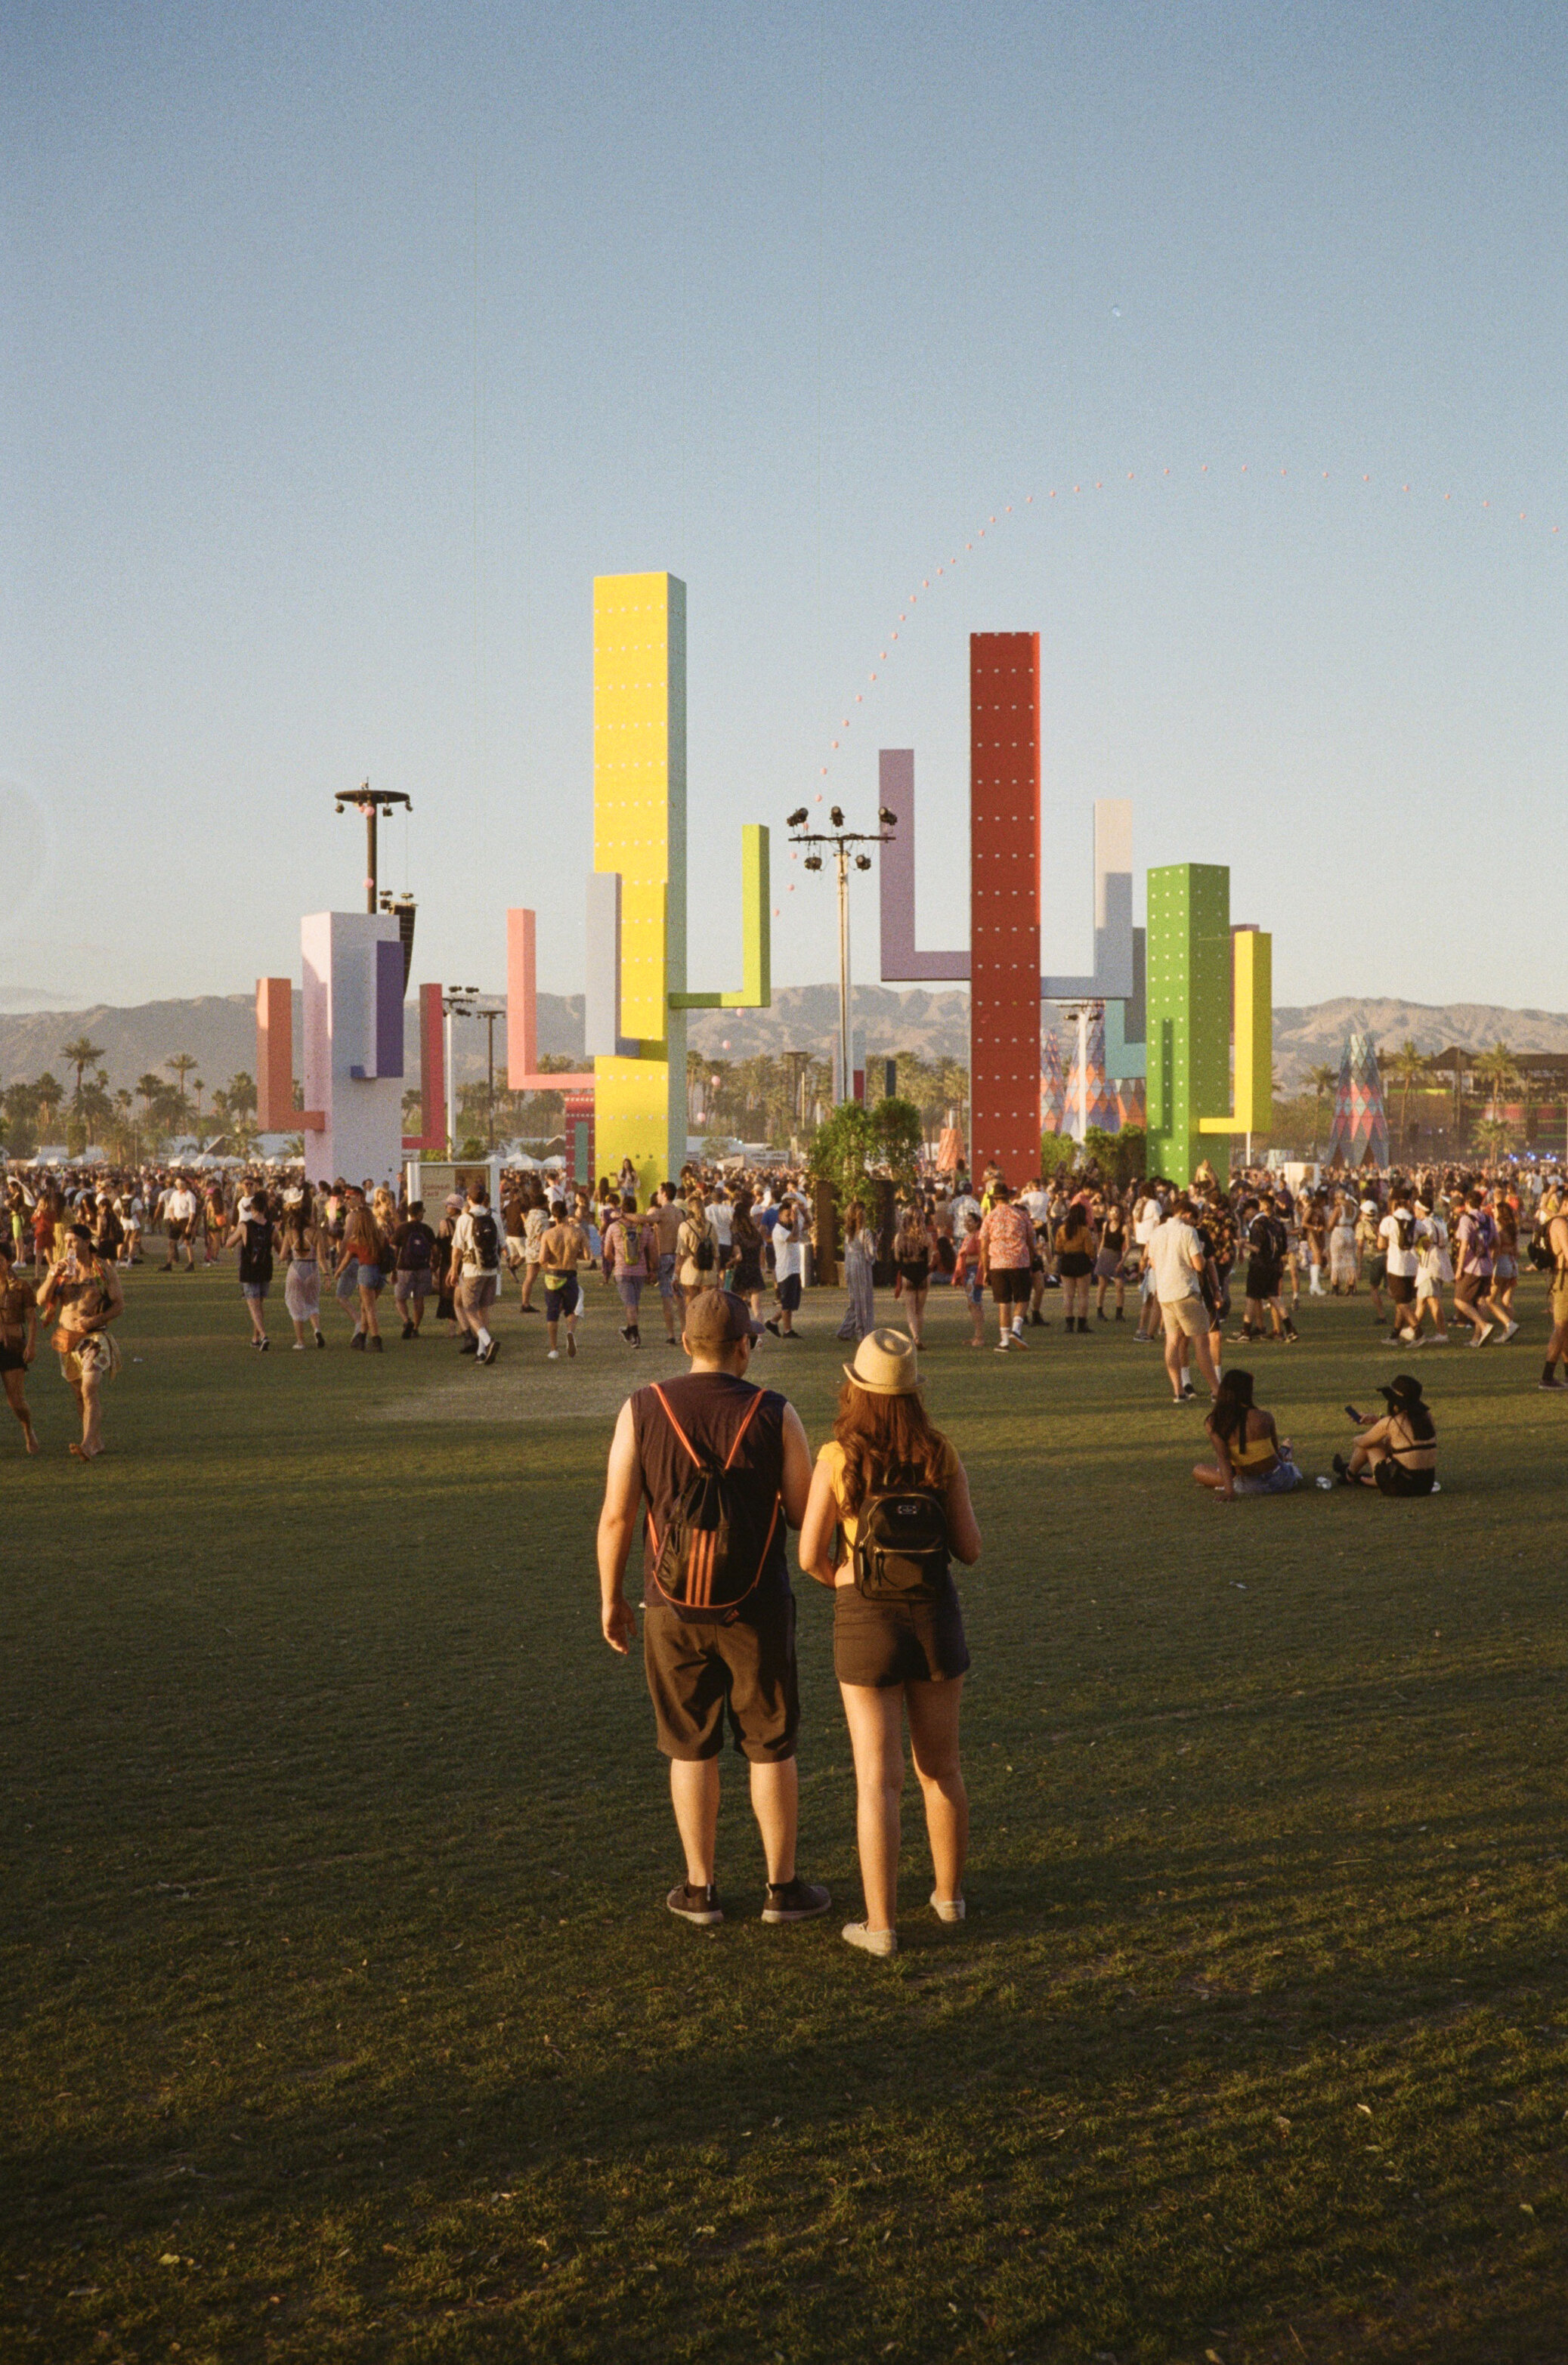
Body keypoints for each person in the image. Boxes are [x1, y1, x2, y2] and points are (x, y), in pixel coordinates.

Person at [595, 1287, 829, 1929]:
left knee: (689, 1747)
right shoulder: (774, 1412)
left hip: (668, 1605)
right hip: (757, 1605)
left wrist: (611, 1597)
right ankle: (781, 1889)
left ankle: (700, 1890)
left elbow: (617, 1514)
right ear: (743, 1346)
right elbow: (806, 1516)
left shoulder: (642, 1407)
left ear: (687, 1344)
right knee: (771, 1745)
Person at [798, 1328, 981, 1957]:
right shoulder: (939, 1452)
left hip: (863, 1620)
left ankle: (879, 1926)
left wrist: (844, 1580)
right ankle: (949, 1897)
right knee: (941, 1768)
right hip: (935, 1616)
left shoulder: (837, 1455)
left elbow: (808, 1556)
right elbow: (971, 1549)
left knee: (877, 1781)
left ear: (857, 1387)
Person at [37, 1222, 124, 1461]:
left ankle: (87, 1445)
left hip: (94, 1338)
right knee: (80, 1395)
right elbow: (41, 1299)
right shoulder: (62, 1270)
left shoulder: (103, 1271)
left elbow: (119, 1305)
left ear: (87, 1242)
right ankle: (96, 1440)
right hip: (67, 1339)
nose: (68, 1246)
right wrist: (53, 1276)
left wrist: (95, 1320)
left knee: (89, 1387)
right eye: (66, 1242)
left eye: (73, 1241)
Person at [1148, 1194, 1219, 1404]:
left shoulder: (1157, 1232)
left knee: (1172, 1342)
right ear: (1187, 1215)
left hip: (1165, 1292)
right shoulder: (1188, 1232)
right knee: (1201, 1342)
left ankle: (1178, 1390)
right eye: (1193, 1219)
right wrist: (1199, 1261)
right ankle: (1216, 1389)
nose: (1194, 1224)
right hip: (1186, 1292)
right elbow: (1199, 1265)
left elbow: (1151, 1262)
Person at [1193, 1368, 1301, 1501]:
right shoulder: (1264, 1417)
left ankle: (1287, 1453)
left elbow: (1224, 1459)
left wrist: (1229, 1492)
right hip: (1281, 1481)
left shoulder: (1213, 1422)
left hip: (1247, 1485)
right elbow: (1275, 1453)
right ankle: (1287, 1453)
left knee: (1198, 1470)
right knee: (1283, 1452)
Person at [1334, 1376, 1438, 1495]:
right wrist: (1376, 1420)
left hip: (1400, 1487)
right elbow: (1407, 1429)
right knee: (1392, 1445)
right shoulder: (1428, 1417)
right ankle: (1353, 1475)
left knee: (1371, 1445)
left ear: (1395, 1404)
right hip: (1426, 1485)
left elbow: (1364, 1442)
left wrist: (1356, 1438)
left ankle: (1348, 1475)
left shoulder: (1391, 1423)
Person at [450, 1182, 503, 1364]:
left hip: (472, 1269)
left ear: (469, 1199)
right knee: (483, 1309)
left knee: (469, 1309)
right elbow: (501, 1244)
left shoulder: (465, 1218)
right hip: (491, 1269)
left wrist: (453, 1270)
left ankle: (488, 1342)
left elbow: (457, 1249)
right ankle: (481, 1352)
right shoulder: (494, 1216)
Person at [979, 1181, 1034, 1353]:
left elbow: (983, 1245)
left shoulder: (989, 1217)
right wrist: (1032, 1259)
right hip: (1019, 1261)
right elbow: (1031, 1239)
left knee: (1003, 1303)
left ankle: (1004, 1342)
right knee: (1022, 1299)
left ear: (994, 1199)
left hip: (997, 1263)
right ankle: (1016, 1330)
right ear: (1009, 1197)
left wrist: (986, 1269)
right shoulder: (1020, 1215)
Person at [0, 1234, 40, 1452]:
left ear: (7, 1260)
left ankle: (28, 1428)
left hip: (12, 1346)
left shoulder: (21, 1287)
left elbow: (32, 1319)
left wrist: (31, 1344)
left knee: (16, 1401)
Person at [336, 1185, 386, 1351]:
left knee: (369, 1308)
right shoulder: (379, 1235)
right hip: (380, 1273)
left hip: (366, 1271)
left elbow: (346, 1259)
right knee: (366, 1307)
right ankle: (361, 1337)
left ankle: (376, 1339)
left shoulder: (356, 1239)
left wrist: (337, 1271)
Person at [227, 1189, 275, 1349]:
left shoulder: (244, 1226)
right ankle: (255, 1338)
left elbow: (229, 1243)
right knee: (259, 1304)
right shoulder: (271, 1227)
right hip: (266, 1268)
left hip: (249, 1269)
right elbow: (280, 1247)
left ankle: (263, 1335)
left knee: (253, 1306)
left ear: (252, 1209)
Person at [540, 1195, 588, 1359]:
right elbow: (588, 1256)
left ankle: (553, 1349)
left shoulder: (548, 1234)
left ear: (553, 1215)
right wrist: (575, 1254)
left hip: (553, 1275)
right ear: (567, 1213)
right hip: (570, 1274)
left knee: (552, 1313)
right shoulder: (578, 1232)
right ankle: (570, 1332)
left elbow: (542, 1259)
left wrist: (548, 1269)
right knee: (571, 1310)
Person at [604, 1193, 654, 1348]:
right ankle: (628, 1331)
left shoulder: (613, 1227)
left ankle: (635, 1336)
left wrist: (616, 1261)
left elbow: (607, 1253)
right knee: (633, 1303)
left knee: (630, 1304)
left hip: (622, 1270)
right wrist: (653, 1269)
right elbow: (651, 1250)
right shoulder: (644, 1229)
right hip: (640, 1271)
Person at [278, 1190, 326, 1349]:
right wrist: (327, 1275)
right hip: (312, 1269)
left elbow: (283, 1256)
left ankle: (301, 1341)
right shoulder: (316, 1233)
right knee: (312, 1303)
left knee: (295, 1305)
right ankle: (317, 1329)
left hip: (296, 1268)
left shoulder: (290, 1233)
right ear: (307, 1218)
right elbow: (321, 1258)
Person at [1378, 1190, 1421, 1346]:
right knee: (1402, 1302)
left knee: (1401, 1303)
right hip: (1412, 1265)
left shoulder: (1388, 1221)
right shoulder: (1417, 1222)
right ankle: (1395, 1335)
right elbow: (1426, 1243)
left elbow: (1381, 1245)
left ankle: (1418, 1332)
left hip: (1396, 1265)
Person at [892, 1205, 935, 1346]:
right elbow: (929, 1259)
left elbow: (897, 1258)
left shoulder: (900, 1237)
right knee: (920, 1309)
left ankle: (915, 1337)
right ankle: (919, 1337)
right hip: (923, 1273)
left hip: (907, 1273)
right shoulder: (927, 1237)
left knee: (910, 1310)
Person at [394, 1199, 437, 1340]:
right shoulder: (426, 1229)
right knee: (419, 1300)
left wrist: (393, 1269)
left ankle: (407, 1321)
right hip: (423, 1268)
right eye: (422, 1212)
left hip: (405, 1268)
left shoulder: (402, 1228)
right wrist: (434, 1265)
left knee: (400, 1299)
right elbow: (435, 1249)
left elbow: (395, 1249)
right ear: (418, 1214)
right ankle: (416, 1328)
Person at [1538, 1193, 1568, 1390]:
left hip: (1561, 1279)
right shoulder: (1560, 1225)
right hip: (1564, 1279)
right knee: (1561, 1328)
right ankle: (1547, 1377)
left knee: (1565, 1329)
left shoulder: (1557, 1221)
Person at [766, 1198, 807, 1339]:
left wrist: (802, 1209)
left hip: (794, 1269)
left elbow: (809, 1223)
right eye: (787, 1215)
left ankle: (773, 1322)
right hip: (786, 1269)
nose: (790, 1218)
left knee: (791, 1303)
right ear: (779, 1216)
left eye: (791, 1214)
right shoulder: (779, 1230)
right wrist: (795, 1221)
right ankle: (787, 1330)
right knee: (787, 1303)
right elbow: (793, 1238)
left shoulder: (791, 1226)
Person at [1054, 1197, 1096, 1335]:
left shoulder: (1062, 1229)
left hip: (1067, 1260)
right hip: (1081, 1260)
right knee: (1083, 1295)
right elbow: (1089, 1251)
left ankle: (1069, 1324)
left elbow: (1058, 1248)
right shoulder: (1085, 1231)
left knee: (1068, 1295)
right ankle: (1082, 1324)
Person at [951, 1210, 986, 1346]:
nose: (966, 1224)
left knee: (975, 1304)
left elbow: (982, 1255)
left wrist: (968, 1261)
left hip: (975, 1273)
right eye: (965, 1221)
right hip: (967, 1273)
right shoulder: (968, 1237)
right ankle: (977, 1335)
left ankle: (980, 1337)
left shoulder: (978, 1236)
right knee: (973, 1304)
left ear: (977, 1223)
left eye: (970, 1221)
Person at [1094, 1195, 1129, 1322]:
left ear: (1121, 1214)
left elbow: (1129, 1247)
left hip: (1116, 1256)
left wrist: (1122, 1262)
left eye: (1116, 1211)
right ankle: (1099, 1311)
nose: (1114, 1213)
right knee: (1102, 1285)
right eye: (1112, 1211)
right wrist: (1099, 1254)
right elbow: (1103, 1240)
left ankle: (1119, 1313)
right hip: (1105, 1255)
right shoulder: (1105, 1225)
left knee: (1119, 1286)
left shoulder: (1124, 1228)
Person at [162, 1175, 198, 1272]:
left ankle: (191, 1263)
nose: (178, 1186)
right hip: (176, 1220)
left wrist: (190, 1225)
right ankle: (169, 1264)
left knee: (187, 1242)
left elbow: (192, 1212)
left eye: (180, 1184)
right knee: (171, 1242)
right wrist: (172, 1216)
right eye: (176, 1184)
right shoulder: (175, 1194)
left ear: (184, 1183)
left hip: (185, 1220)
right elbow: (170, 1207)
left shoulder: (190, 1195)